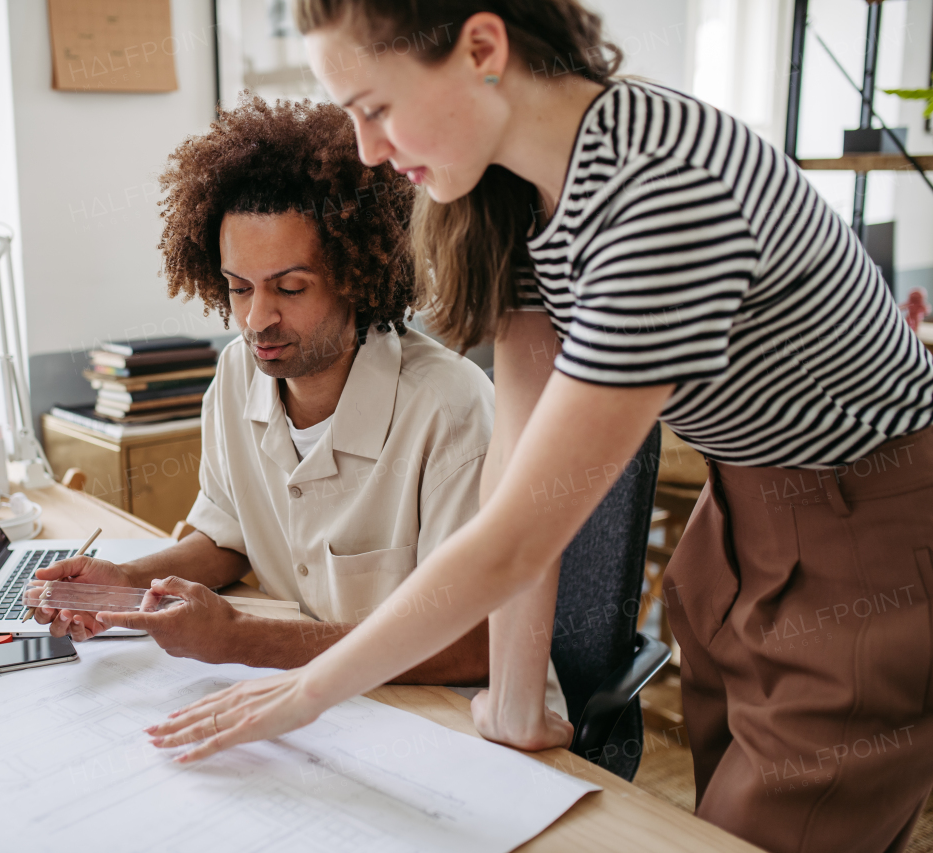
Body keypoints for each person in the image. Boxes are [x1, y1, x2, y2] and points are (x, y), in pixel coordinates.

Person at [140, 4, 933, 853]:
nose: (367, 148)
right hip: (740, 508)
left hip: (866, 526)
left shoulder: (662, 194)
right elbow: (517, 470)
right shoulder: (514, 192)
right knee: (716, 818)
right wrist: (515, 704)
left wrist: (299, 691)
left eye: (375, 107)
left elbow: (517, 538)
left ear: (482, 49)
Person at [34, 96, 566, 704]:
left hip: (448, 715)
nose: (257, 319)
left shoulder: (448, 408)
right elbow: (227, 536)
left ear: (360, 278)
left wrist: (243, 640)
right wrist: (125, 582)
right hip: (325, 704)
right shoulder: (237, 375)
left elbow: (478, 644)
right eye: (238, 288)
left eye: (290, 287)